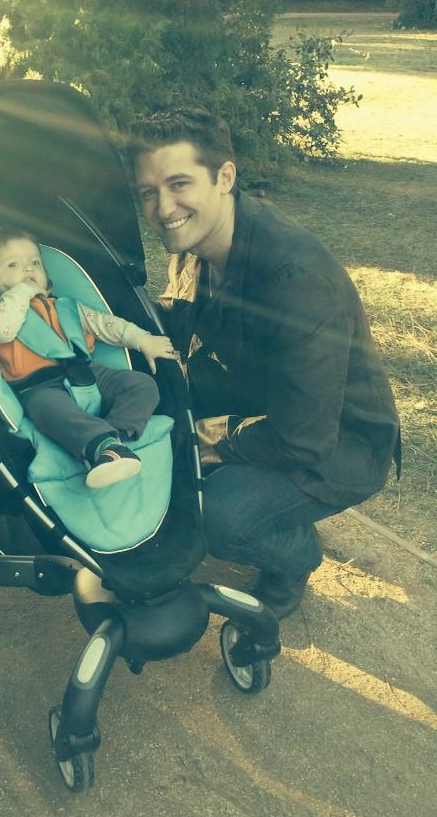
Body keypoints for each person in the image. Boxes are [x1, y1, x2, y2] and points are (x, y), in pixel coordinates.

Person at [127, 108, 400, 619]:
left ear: (224, 177)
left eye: (179, 184)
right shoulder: (195, 238)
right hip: (259, 397)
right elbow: (183, 314)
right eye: (148, 192)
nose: (162, 208)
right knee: (151, 442)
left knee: (217, 513)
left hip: (337, 441)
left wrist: (204, 441)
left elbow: (305, 438)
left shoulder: (296, 283)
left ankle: (296, 555)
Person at [0, 228, 176, 487]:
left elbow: (105, 325)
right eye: (13, 265)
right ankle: (102, 444)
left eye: (35, 263)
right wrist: (21, 292)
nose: (28, 269)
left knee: (143, 385)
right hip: (41, 388)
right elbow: (2, 331)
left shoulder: (63, 306)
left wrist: (142, 340)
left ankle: (113, 442)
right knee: (51, 413)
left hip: (89, 372)